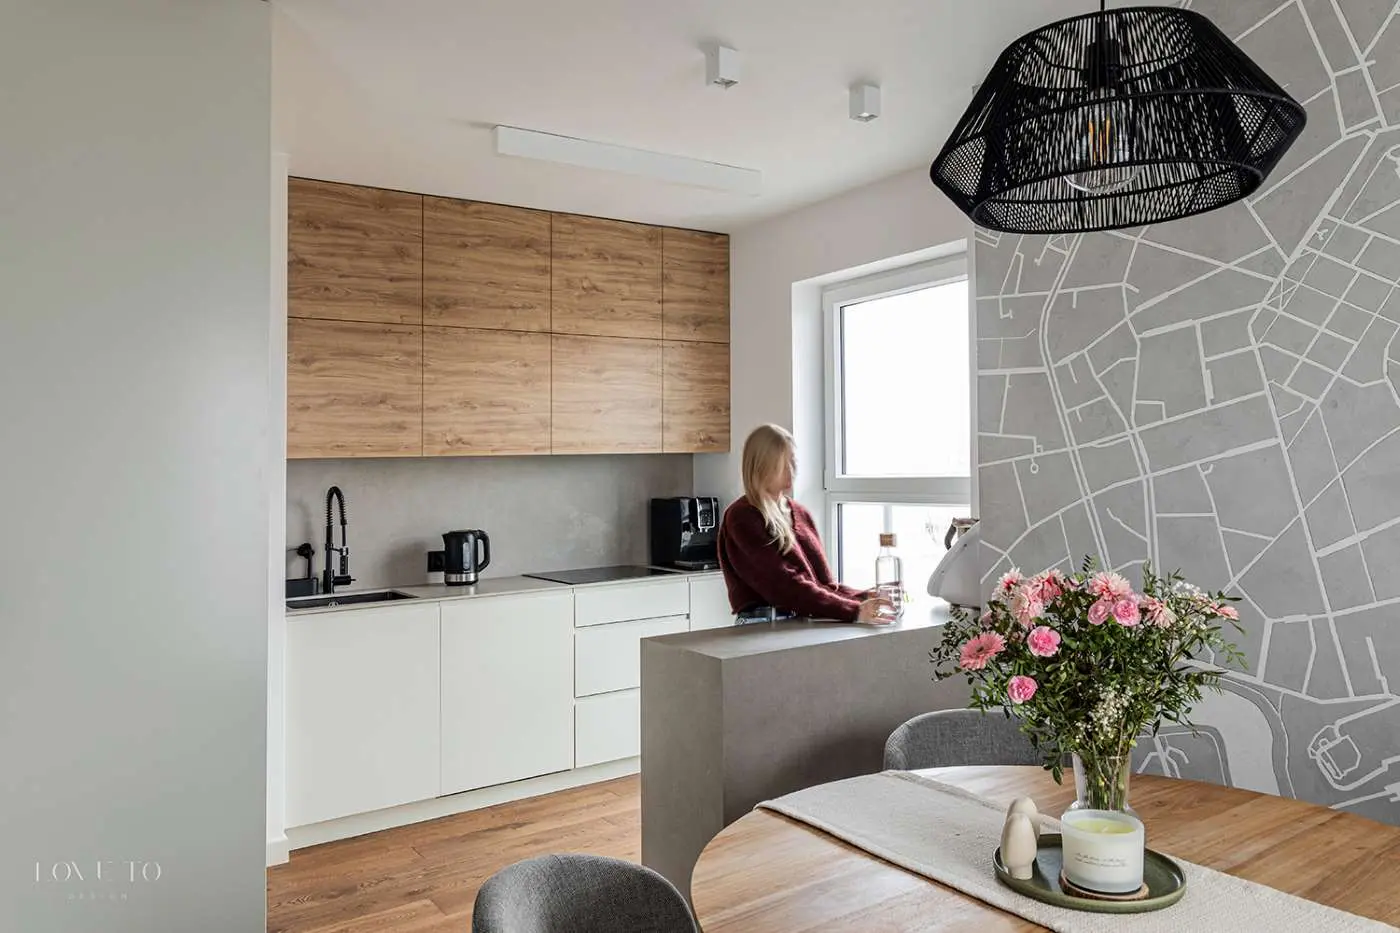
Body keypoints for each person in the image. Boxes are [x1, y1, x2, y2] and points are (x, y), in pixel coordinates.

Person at [717, 424, 894, 623]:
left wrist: (863, 597)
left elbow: (823, 586)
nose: (791, 470)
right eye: (781, 464)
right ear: (761, 466)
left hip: (802, 625)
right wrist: (854, 610)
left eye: (793, 461)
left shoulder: (801, 513)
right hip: (762, 628)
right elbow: (784, 587)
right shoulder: (742, 517)